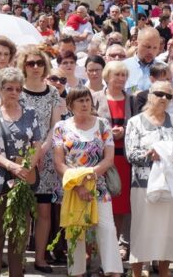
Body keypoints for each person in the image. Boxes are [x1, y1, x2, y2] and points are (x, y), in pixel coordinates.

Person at [0, 68, 43, 277]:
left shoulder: (31, 113)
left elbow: (37, 145)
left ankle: (16, 274)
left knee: (18, 232)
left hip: (22, 180)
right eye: (9, 88)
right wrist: (11, 166)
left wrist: (26, 168)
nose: (14, 92)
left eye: (18, 89)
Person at [52, 87, 123, 277]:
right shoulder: (61, 127)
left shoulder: (103, 125)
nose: (85, 104)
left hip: (98, 186)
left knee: (107, 228)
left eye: (87, 100)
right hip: (72, 187)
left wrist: (90, 177)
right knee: (75, 231)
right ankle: (76, 271)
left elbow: (108, 159)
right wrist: (78, 185)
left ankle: (113, 271)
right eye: (80, 100)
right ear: (70, 105)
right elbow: (59, 163)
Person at [125, 80, 173, 277]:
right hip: (144, 185)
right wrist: (151, 154)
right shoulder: (135, 122)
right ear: (150, 95)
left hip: (172, 185)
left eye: (169, 96)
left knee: (168, 232)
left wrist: (168, 152)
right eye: (160, 94)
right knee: (142, 230)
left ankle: (164, 272)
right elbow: (131, 154)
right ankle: (137, 273)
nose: (164, 99)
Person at [16, 47, 62, 273]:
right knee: (22, 210)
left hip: (47, 157)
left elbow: (56, 126)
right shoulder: (18, 91)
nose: (35, 67)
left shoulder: (53, 92)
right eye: (30, 63)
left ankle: (41, 257)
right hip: (22, 158)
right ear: (23, 66)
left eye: (39, 63)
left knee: (44, 210)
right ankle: (19, 258)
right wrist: (31, 157)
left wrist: (42, 151)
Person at [91, 60, 133, 260]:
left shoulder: (132, 100)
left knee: (122, 204)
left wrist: (125, 131)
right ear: (107, 76)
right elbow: (89, 123)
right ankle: (99, 247)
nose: (121, 79)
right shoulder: (95, 98)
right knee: (102, 204)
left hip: (125, 160)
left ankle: (117, 245)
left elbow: (138, 125)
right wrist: (108, 133)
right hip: (102, 160)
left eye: (124, 75)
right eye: (117, 75)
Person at [124, 27, 161, 93]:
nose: (151, 51)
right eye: (147, 47)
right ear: (136, 44)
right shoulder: (123, 67)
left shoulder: (164, 69)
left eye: (155, 48)